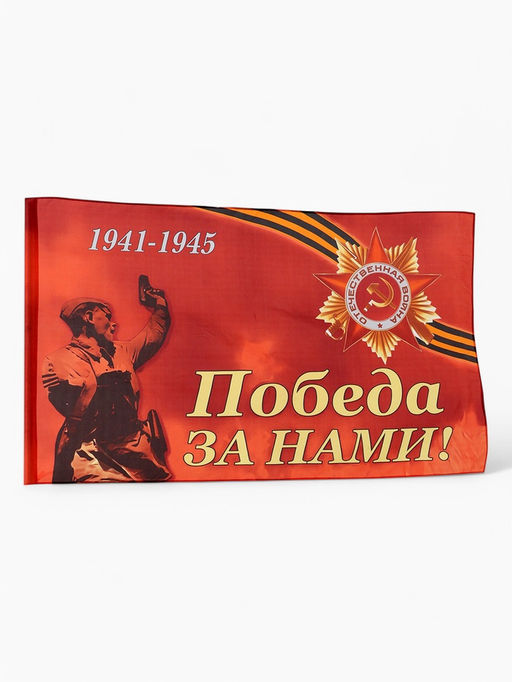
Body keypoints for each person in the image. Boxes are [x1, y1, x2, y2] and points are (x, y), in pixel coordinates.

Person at [41, 279, 172, 483]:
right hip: (93, 456)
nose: (114, 323)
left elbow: (152, 336)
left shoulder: (122, 351)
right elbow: (71, 410)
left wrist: (160, 305)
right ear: (89, 317)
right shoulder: (57, 361)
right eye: (107, 317)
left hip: (139, 455)